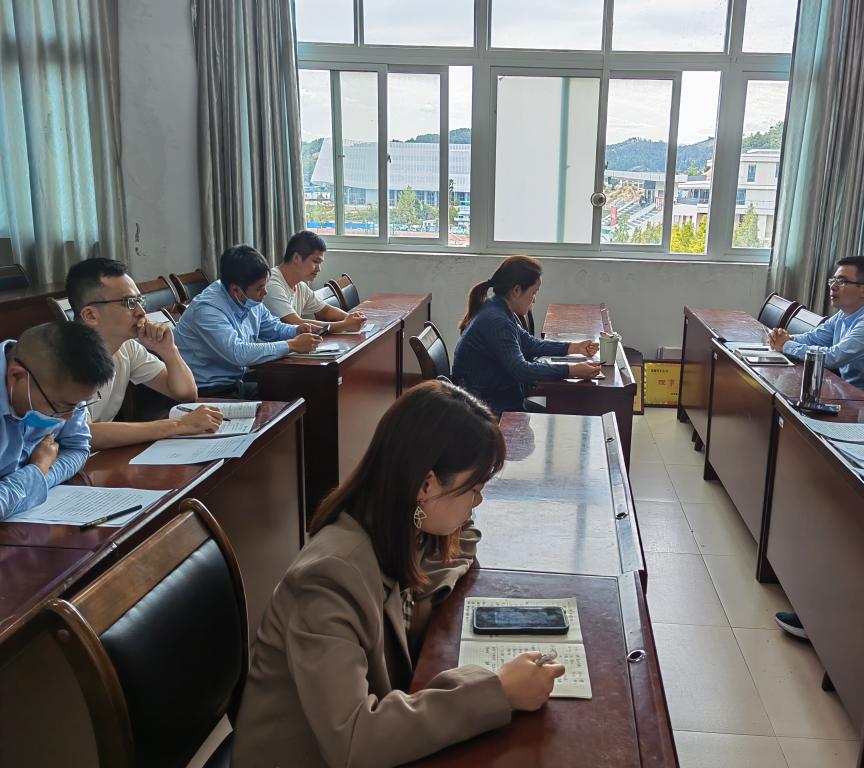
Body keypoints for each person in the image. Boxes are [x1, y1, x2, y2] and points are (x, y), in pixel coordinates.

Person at [231, 380, 565, 767]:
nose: (478, 500)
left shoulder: (397, 526)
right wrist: (499, 692)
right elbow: (354, 741)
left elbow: (461, 540)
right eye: (473, 487)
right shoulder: (328, 578)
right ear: (426, 484)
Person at [65, 257, 225, 449]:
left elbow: (186, 393)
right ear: (91, 315)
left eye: (140, 301)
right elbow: (85, 434)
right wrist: (178, 425)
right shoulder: (65, 358)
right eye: (129, 302)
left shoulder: (128, 347)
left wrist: (169, 351)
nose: (141, 311)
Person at [452, 255, 600, 415]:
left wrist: (574, 347)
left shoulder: (497, 307)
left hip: (490, 400)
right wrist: (572, 371)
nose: (534, 300)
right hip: (486, 410)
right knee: (569, 409)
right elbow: (522, 370)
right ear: (516, 290)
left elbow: (530, 343)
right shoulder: (497, 320)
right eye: (534, 292)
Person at [176, 245, 323, 398]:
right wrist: (292, 345)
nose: (265, 293)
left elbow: (272, 327)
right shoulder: (208, 310)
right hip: (206, 391)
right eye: (259, 288)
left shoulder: (248, 298)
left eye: (265, 285)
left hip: (235, 381)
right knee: (285, 397)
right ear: (236, 290)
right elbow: (238, 353)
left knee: (301, 387)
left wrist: (296, 330)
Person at [1, 322, 114, 519]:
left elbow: (78, 448)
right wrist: (38, 469)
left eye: (78, 405)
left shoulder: (62, 389)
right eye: (60, 405)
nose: (69, 417)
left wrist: (41, 476)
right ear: (16, 376)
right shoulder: (47, 376)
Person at [767, 256, 864, 398]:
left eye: (842, 281)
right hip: (850, 393)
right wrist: (786, 339)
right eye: (833, 280)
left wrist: (786, 345)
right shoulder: (846, 312)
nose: (833, 286)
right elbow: (815, 338)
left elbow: (833, 357)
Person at [264, 230, 367, 333]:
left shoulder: (300, 286)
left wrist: (351, 318)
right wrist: (345, 325)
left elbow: (325, 310)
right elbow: (295, 323)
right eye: (315, 262)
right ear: (296, 258)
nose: (318, 269)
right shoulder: (271, 284)